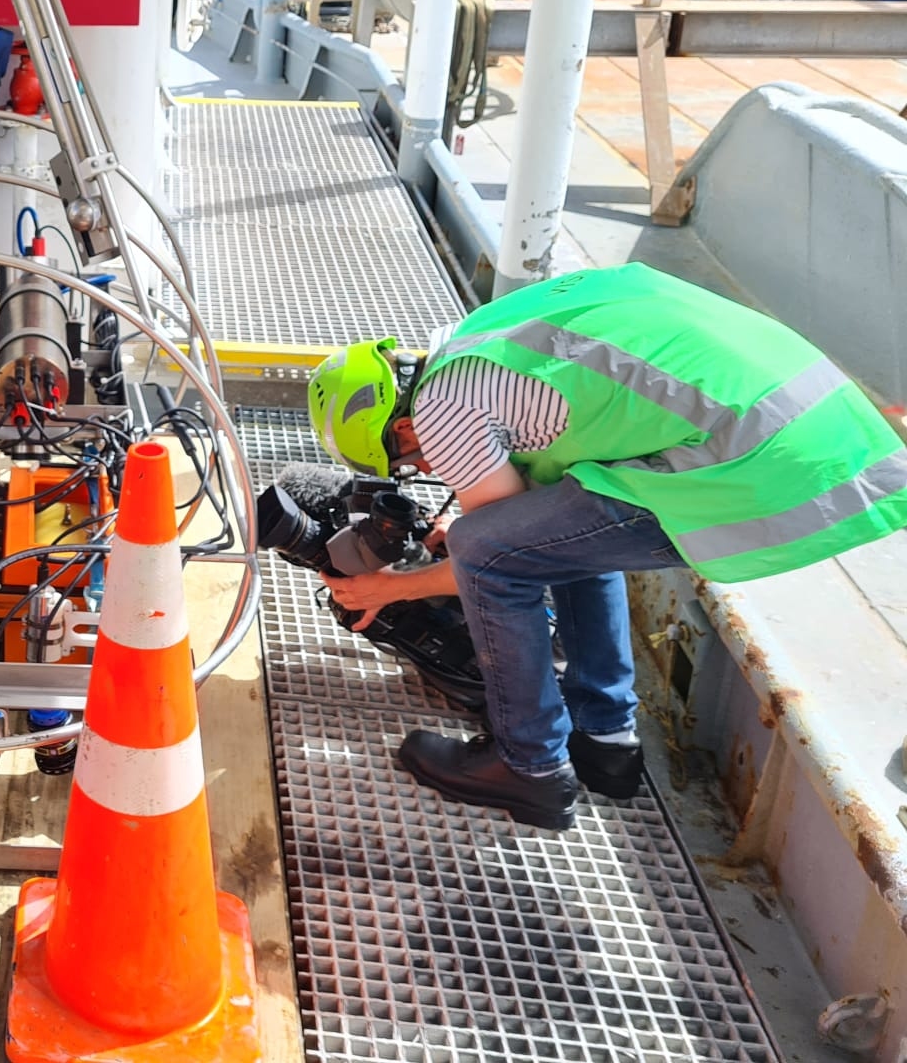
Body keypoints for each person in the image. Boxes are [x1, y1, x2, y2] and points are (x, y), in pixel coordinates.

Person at [307, 262, 907, 831]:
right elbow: (537, 527)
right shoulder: (480, 341)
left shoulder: (440, 408)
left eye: (409, 462)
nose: (424, 467)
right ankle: (605, 742)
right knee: (555, 532)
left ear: (402, 425)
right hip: (821, 434)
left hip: (759, 464)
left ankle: (530, 767)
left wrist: (390, 588)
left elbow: (490, 558)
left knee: (491, 549)